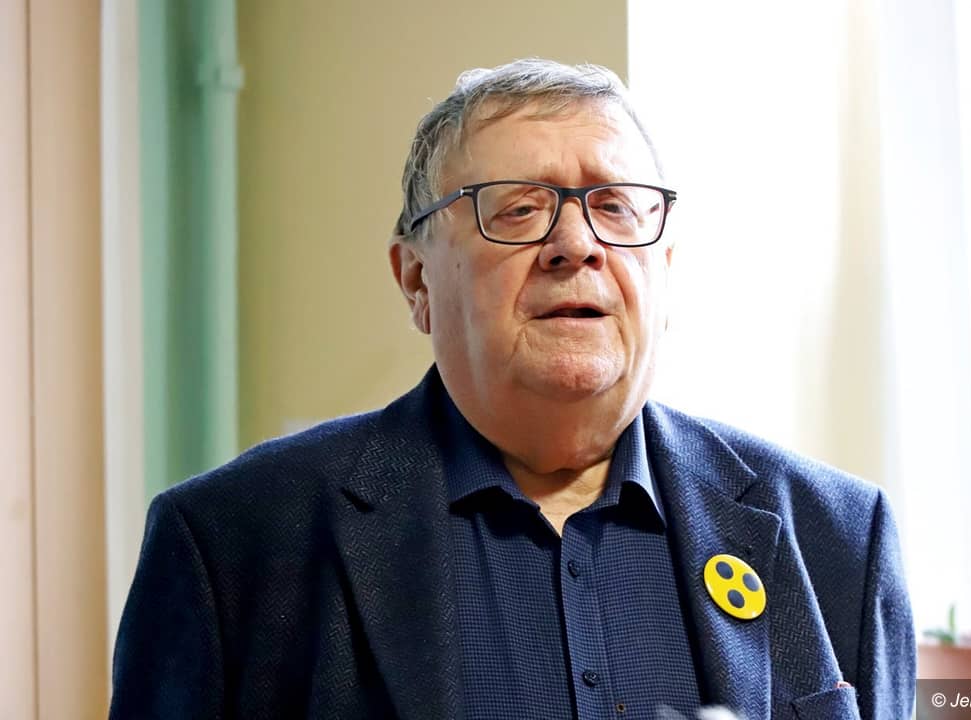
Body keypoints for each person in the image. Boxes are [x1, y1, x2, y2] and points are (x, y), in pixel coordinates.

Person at [110, 58, 915, 720]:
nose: (577, 244)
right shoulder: (232, 543)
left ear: (664, 270)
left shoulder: (838, 535)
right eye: (520, 210)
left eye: (615, 208)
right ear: (416, 279)